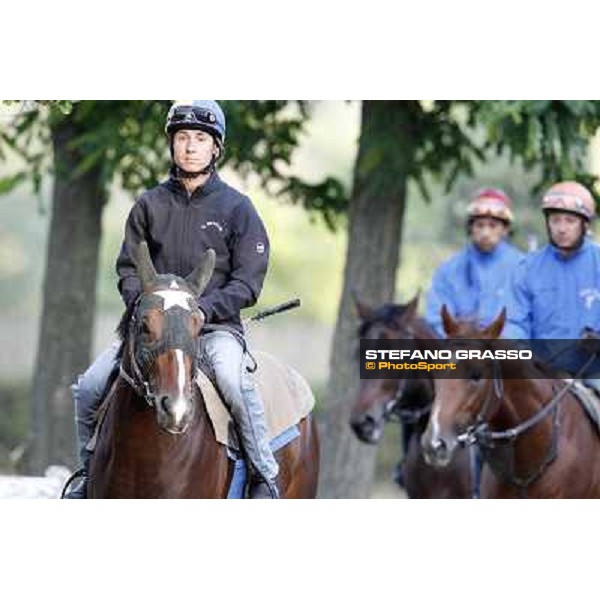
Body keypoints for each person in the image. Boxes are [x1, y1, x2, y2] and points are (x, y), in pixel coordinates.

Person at [65, 100, 279, 499]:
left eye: (200, 138)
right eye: (182, 137)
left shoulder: (238, 209)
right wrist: (148, 308)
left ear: (215, 148)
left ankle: (263, 477)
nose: (190, 146)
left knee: (233, 381)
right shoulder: (149, 204)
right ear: (172, 145)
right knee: (91, 386)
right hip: (151, 329)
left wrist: (200, 309)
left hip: (211, 328)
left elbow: (248, 282)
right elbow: (129, 269)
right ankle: (88, 475)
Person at [503, 181, 600, 383]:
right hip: (542, 375)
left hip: (593, 373)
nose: (561, 229)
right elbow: (514, 321)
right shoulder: (526, 268)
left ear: (585, 224)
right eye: (555, 220)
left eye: (570, 221)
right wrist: (523, 353)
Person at [425, 188, 524, 336]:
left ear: (505, 229)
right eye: (480, 225)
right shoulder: (449, 269)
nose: (485, 233)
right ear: (470, 228)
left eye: (492, 226)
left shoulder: (523, 267)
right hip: (460, 346)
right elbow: (436, 318)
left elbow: (527, 319)